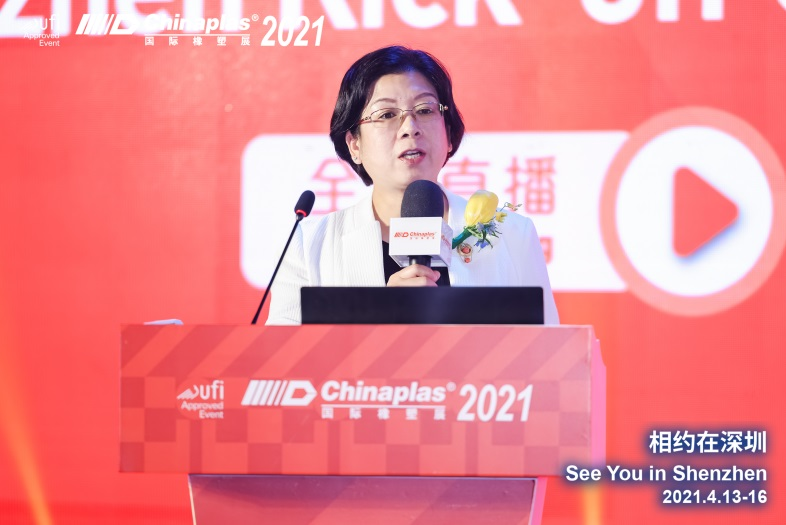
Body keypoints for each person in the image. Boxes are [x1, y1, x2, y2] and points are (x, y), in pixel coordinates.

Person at [266, 45, 558, 325]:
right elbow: (283, 356)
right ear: (354, 145)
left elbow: (549, 353)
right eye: (387, 115)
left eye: (425, 110)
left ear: (449, 133)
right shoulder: (308, 245)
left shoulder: (513, 235)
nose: (410, 128)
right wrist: (381, 315)